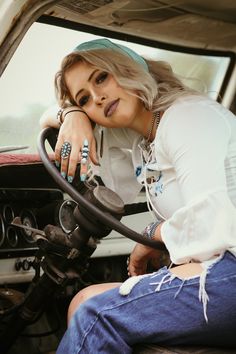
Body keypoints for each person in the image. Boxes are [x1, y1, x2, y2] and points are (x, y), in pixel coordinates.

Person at [40, 38, 236, 353]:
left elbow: (211, 220)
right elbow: (45, 118)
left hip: (229, 266)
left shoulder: (188, 117)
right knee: (82, 302)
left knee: (96, 316)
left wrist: (151, 235)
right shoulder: (139, 140)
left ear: (129, 66)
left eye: (101, 77)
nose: (98, 97)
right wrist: (72, 115)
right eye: (85, 98)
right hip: (218, 264)